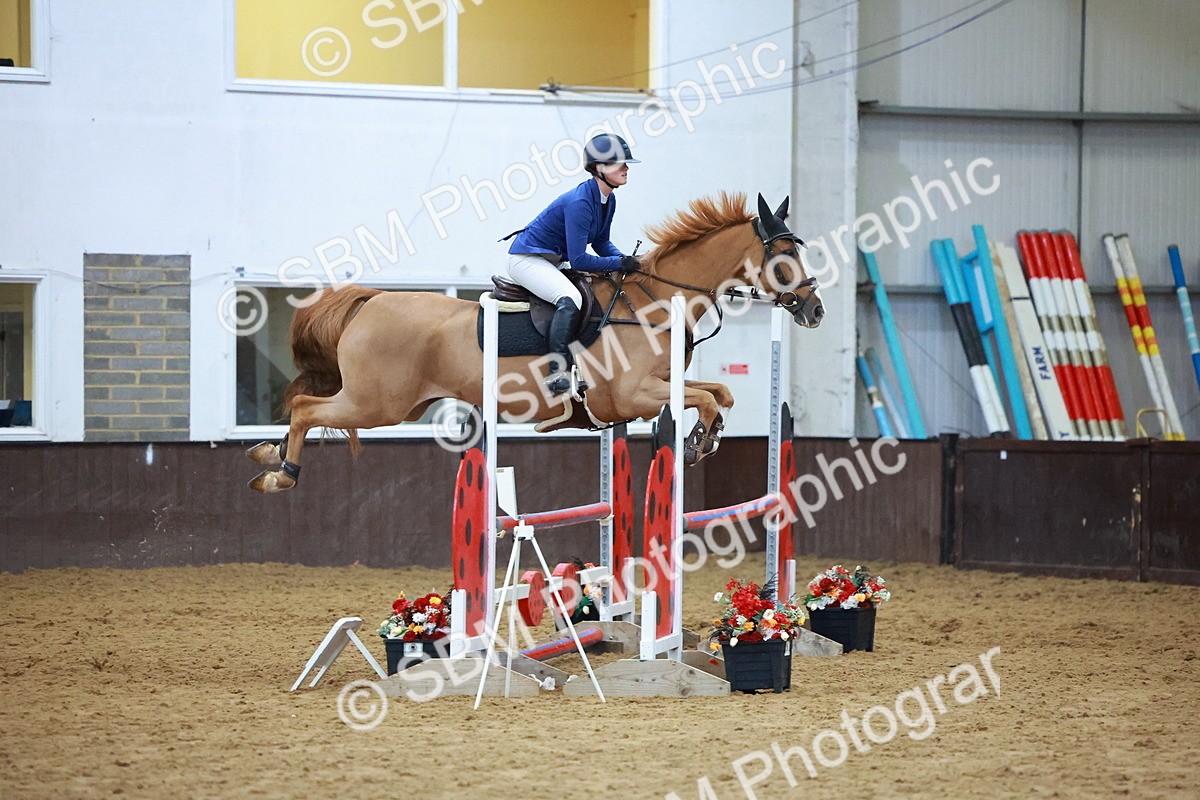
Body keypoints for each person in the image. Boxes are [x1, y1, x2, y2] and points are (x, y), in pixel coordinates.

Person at [503, 133, 641, 396]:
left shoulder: (607, 199)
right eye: (619, 163)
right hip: (526, 259)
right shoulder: (580, 202)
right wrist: (619, 262)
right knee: (571, 298)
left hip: (549, 261)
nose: (626, 168)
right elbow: (578, 260)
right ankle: (556, 375)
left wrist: (626, 260)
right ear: (599, 168)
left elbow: (601, 242)